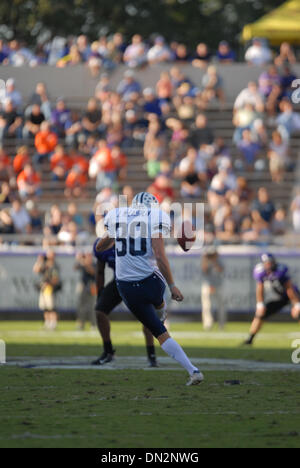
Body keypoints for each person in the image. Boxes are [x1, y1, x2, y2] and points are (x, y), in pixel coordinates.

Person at [96, 192, 204, 386]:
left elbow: (101, 246)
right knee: (158, 302)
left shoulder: (117, 215)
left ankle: (193, 370)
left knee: (160, 333)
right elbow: (160, 256)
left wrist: (111, 237)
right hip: (152, 281)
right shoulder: (156, 216)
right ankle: (162, 311)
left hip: (127, 287)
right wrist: (172, 286)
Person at [92, 242, 159, 367]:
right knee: (100, 311)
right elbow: (100, 271)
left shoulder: (131, 240)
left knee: (148, 319)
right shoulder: (101, 245)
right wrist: (100, 293)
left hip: (137, 280)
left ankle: (152, 355)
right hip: (118, 282)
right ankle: (108, 352)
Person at [244, 253, 300, 345]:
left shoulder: (281, 270)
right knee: (260, 314)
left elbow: (289, 288)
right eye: (267, 263)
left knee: (298, 314)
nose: (269, 265)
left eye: (270, 263)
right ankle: (250, 339)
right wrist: (260, 304)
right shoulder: (260, 271)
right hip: (280, 298)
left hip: (293, 295)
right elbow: (260, 288)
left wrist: (297, 304)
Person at [33, 251, 62, 330]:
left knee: (52, 307)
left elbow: (56, 278)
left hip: (50, 288)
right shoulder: (45, 264)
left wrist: (48, 283)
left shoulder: (55, 266)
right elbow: (36, 270)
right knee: (45, 307)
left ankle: (53, 323)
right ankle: (47, 322)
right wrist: (39, 260)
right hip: (44, 288)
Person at [201, 247, 225, 330]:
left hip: (218, 285)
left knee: (221, 305)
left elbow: (221, 270)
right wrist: (205, 259)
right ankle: (208, 324)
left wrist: (214, 261)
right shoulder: (206, 261)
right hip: (208, 285)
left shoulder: (219, 261)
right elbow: (204, 270)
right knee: (207, 306)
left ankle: (221, 324)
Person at [74, 253, 97, 331]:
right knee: (81, 307)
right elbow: (75, 268)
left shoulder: (94, 264)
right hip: (83, 286)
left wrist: (83, 262)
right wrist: (79, 260)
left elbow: (92, 271)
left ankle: (93, 324)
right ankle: (81, 324)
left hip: (92, 287)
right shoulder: (83, 264)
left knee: (92, 307)